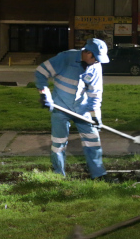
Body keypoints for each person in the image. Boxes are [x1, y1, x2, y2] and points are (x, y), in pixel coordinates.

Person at [35, 38, 109, 180]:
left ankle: (98, 174)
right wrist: (45, 95)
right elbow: (40, 72)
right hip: (60, 108)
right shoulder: (65, 58)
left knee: (93, 140)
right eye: (96, 58)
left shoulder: (96, 67)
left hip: (82, 109)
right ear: (87, 53)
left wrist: (95, 115)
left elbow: (95, 93)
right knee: (58, 143)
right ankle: (59, 176)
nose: (98, 62)